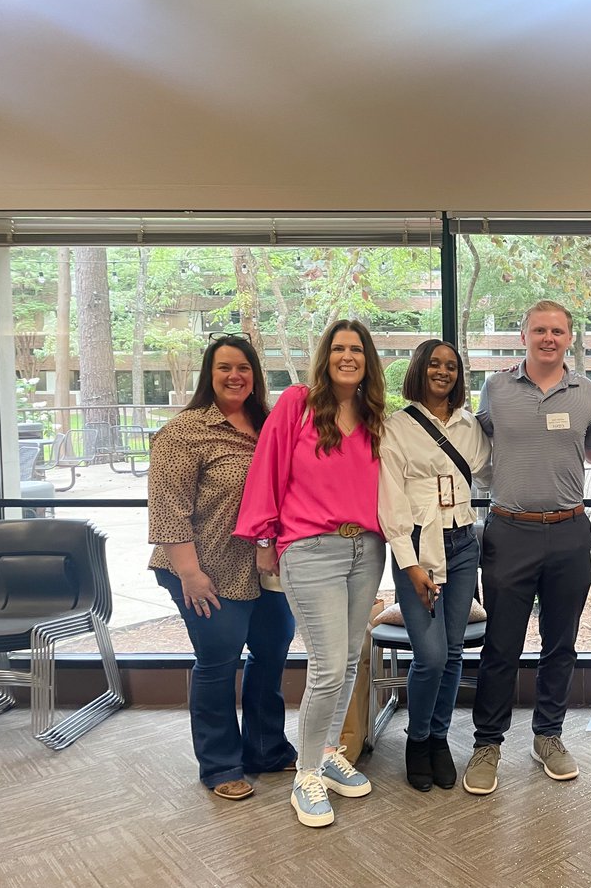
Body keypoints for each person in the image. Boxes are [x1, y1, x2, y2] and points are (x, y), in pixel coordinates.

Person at [235, 319, 387, 828]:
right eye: (339, 348)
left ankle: (326, 752)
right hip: (310, 549)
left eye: (357, 350)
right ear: (326, 355)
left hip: (367, 548)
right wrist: (263, 540)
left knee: (346, 660)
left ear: (368, 360)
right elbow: (267, 470)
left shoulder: (374, 414)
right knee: (325, 665)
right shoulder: (297, 404)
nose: (348, 357)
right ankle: (305, 775)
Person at [462, 299, 591, 796]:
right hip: (508, 530)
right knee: (501, 645)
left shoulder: (587, 392)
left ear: (569, 338)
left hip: (568, 531)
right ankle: (487, 743)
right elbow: (473, 445)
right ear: (524, 335)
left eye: (558, 331)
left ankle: (548, 735)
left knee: (560, 642)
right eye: (539, 330)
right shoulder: (496, 387)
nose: (549, 338)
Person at [148, 335, 296, 800]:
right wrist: (190, 574)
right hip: (203, 568)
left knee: (272, 654)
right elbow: (168, 510)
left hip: (265, 570)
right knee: (219, 661)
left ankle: (266, 748)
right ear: (208, 375)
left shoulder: (272, 425)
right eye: (224, 368)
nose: (235, 376)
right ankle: (219, 764)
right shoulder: (185, 431)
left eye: (244, 368)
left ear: (256, 375)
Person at [378, 339, 491, 792]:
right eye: (434, 364)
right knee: (430, 655)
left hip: (464, 545)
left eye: (451, 366)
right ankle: (417, 738)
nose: (443, 372)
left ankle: (440, 738)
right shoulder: (396, 427)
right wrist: (408, 565)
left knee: (456, 650)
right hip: (419, 550)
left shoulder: (468, 426)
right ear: (419, 370)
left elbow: (490, 470)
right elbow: (389, 501)